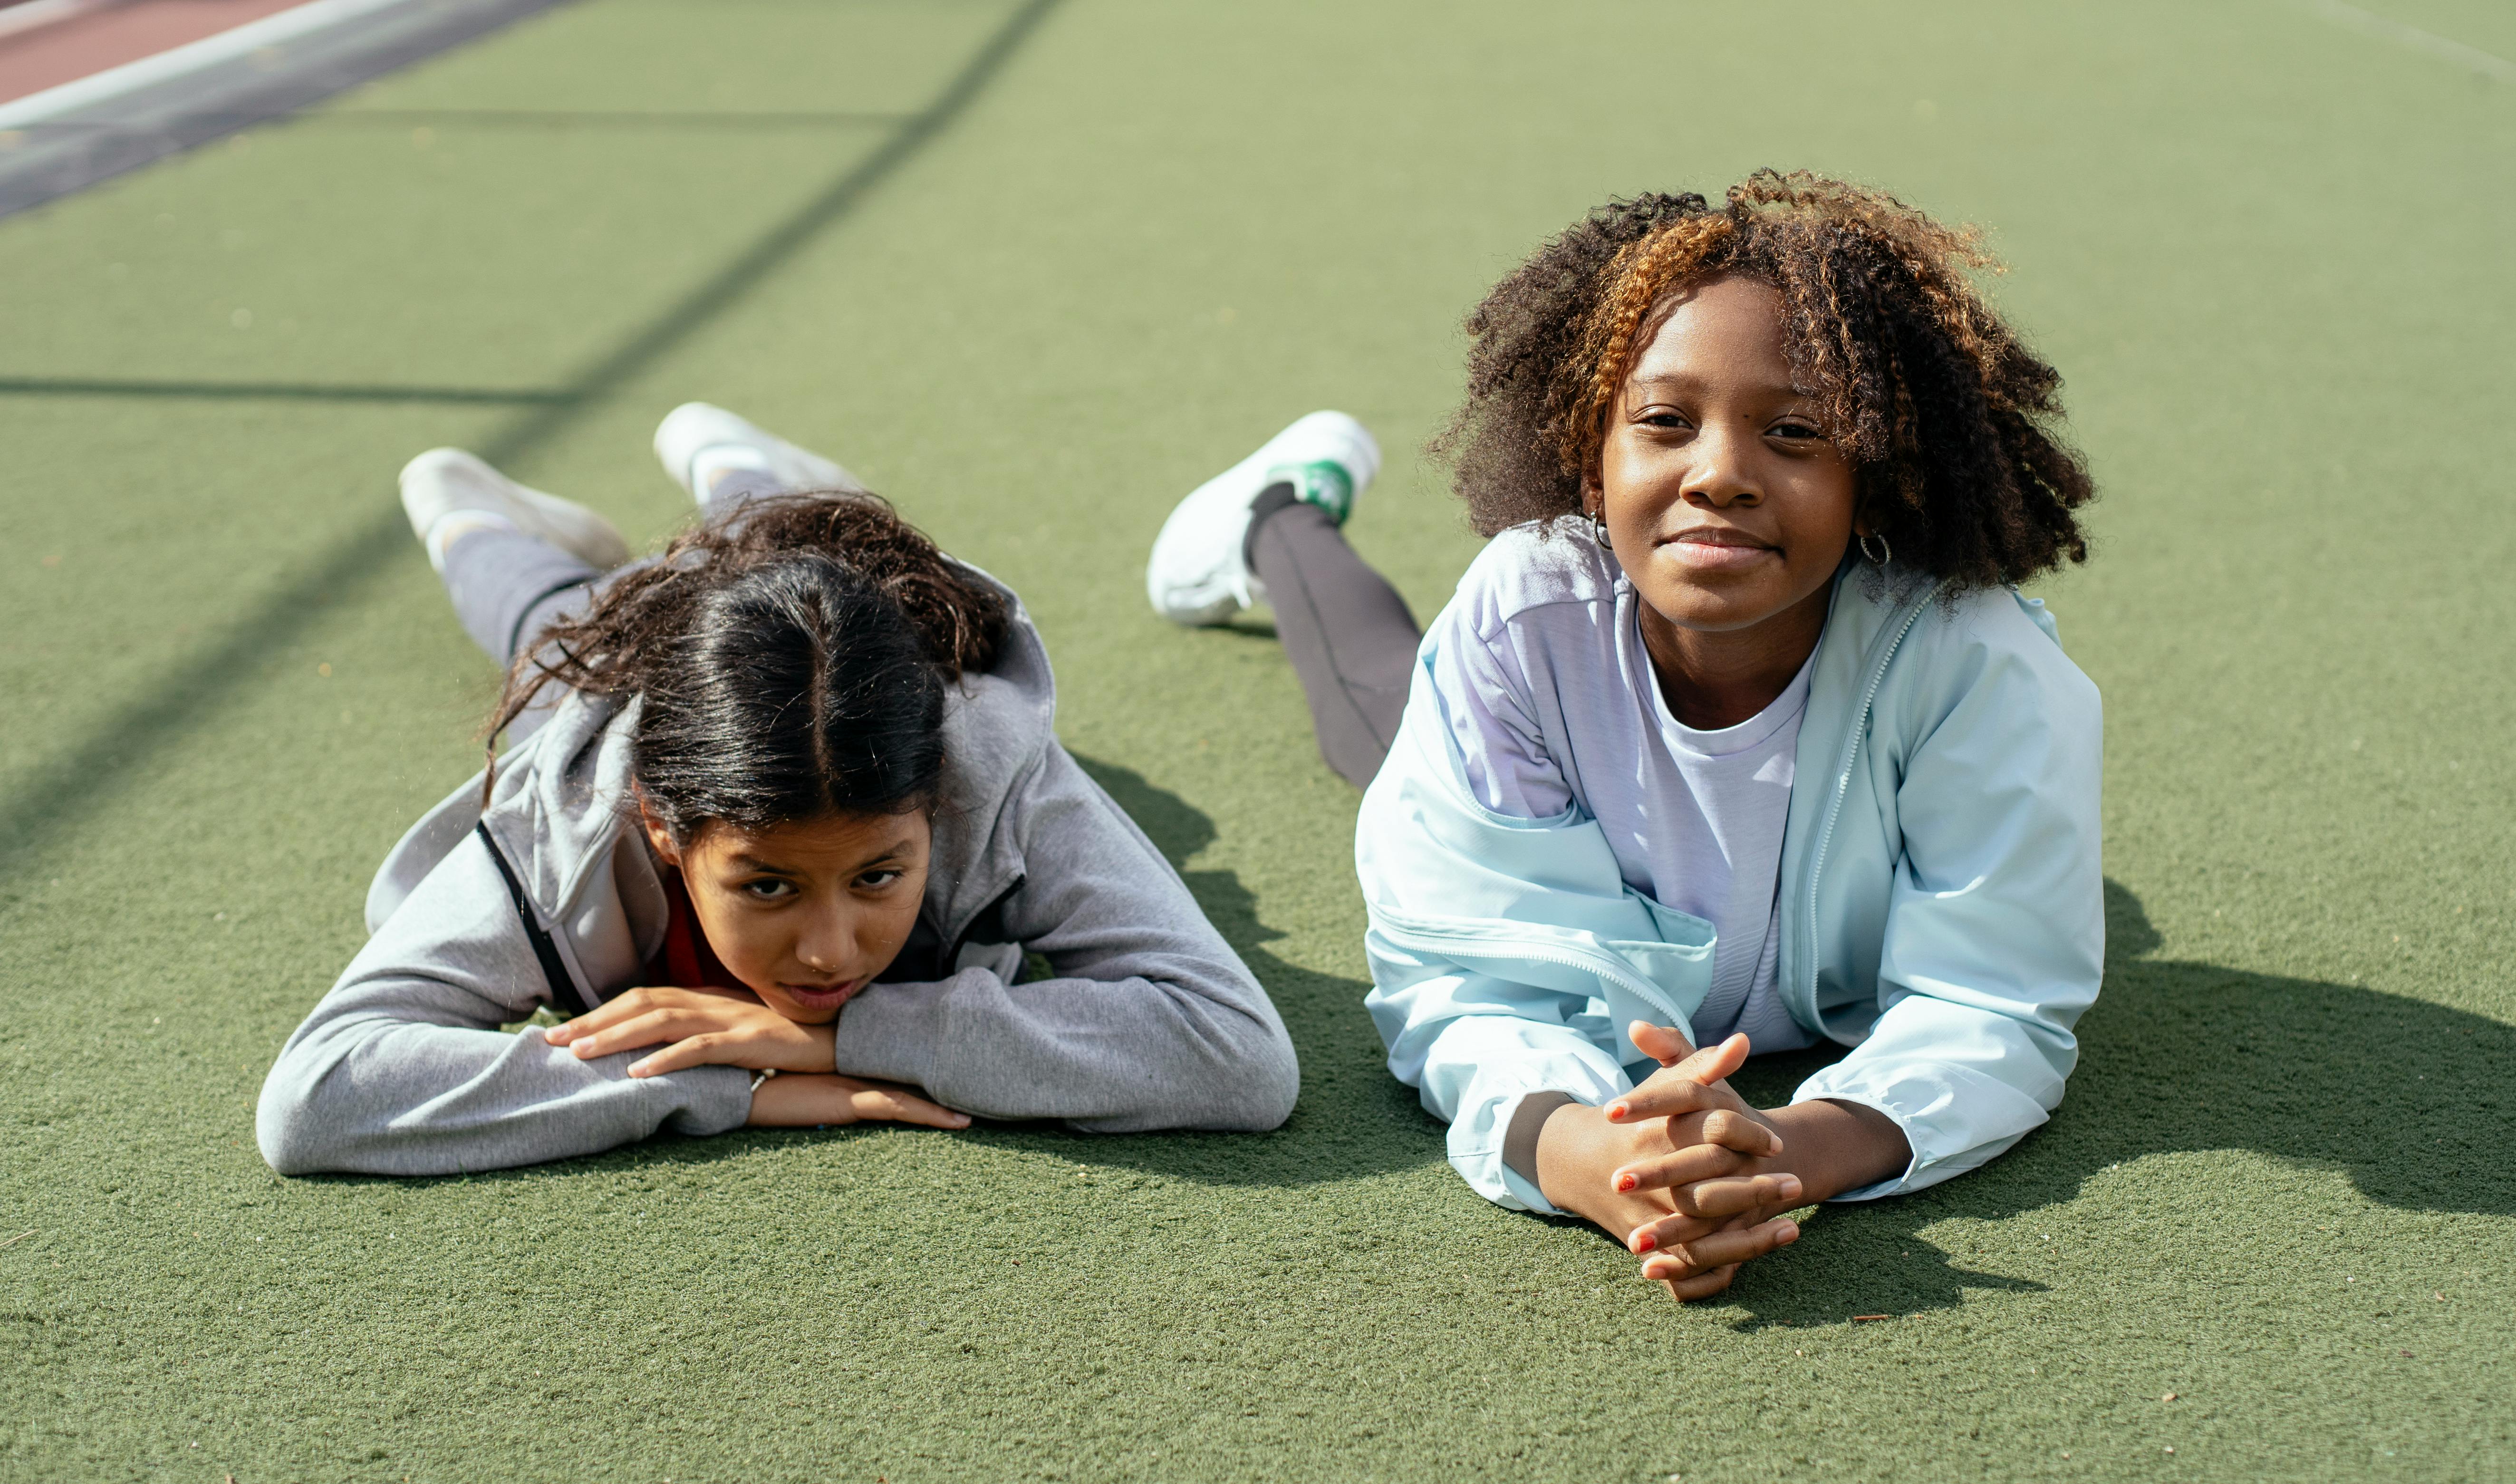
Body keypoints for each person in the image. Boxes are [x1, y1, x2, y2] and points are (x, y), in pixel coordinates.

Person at [1145, 170, 2102, 1300]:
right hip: (1513, 722)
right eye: (1663, 422)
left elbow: (1991, 1000)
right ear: (1588, 455)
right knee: (1372, 707)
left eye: (1796, 431)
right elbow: (1466, 988)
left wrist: (1788, 1151)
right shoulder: (1524, 622)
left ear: (1877, 476)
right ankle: (1280, 515)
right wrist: (1593, 1156)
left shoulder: (1974, 665)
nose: (1720, 474)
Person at [257, 405, 1298, 1176]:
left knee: (775, 550)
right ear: (662, 828)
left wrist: (836, 1039)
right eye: (766, 886)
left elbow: (1238, 1056)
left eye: (878, 875)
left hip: (838, 614)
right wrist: (726, 1081)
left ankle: (734, 462)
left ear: (935, 806)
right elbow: (319, 1096)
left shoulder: (988, 771)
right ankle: (463, 512)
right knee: (556, 634)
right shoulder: (563, 824)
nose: (829, 952)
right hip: (618, 677)